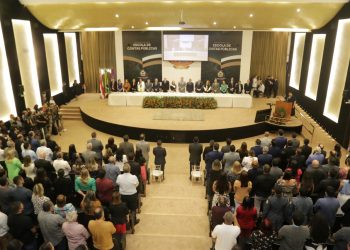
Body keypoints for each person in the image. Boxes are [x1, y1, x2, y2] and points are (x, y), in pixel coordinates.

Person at [116, 163, 139, 233]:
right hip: (132, 196)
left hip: (122, 196)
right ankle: (132, 226)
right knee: (132, 211)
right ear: (130, 169)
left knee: (124, 212)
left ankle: (126, 226)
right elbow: (137, 185)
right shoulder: (134, 177)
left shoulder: (119, 177)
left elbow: (117, 183)